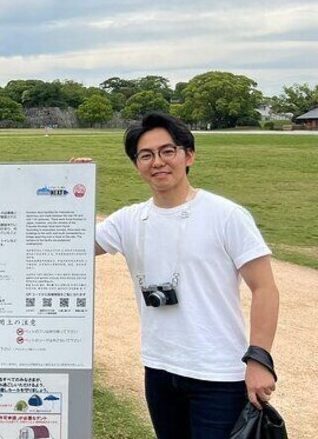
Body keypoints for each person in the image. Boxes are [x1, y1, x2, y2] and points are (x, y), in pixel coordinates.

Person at [93, 112, 279, 439]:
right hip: (160, 370)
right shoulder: (128, 221)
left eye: (168, 151)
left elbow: (264, 287)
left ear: (188, 155)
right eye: (146, 155)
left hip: (219, 374)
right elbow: (65, 244)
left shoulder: (226, 215)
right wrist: (71, 187)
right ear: (136, 164)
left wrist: (260, 359)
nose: (158, 162)